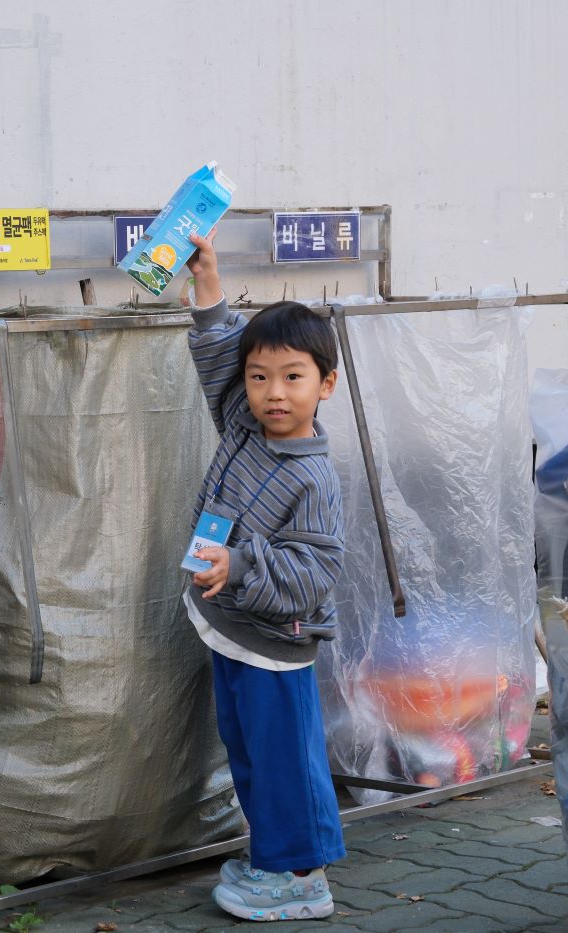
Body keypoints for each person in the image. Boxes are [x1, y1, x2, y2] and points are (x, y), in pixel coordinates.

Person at [182, 229, 347, 922]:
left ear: (326, 384)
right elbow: (221, 351)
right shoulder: (244, 424)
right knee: (248, 751)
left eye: (292, 377)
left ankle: (302, 875)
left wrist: (241, 562)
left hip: (275, 642)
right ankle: (271, 857)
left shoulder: (313, 476)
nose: (272, 393)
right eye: (259, 377)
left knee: (286, 763)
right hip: (231, 628)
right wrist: (209, 278)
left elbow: (314, 570)